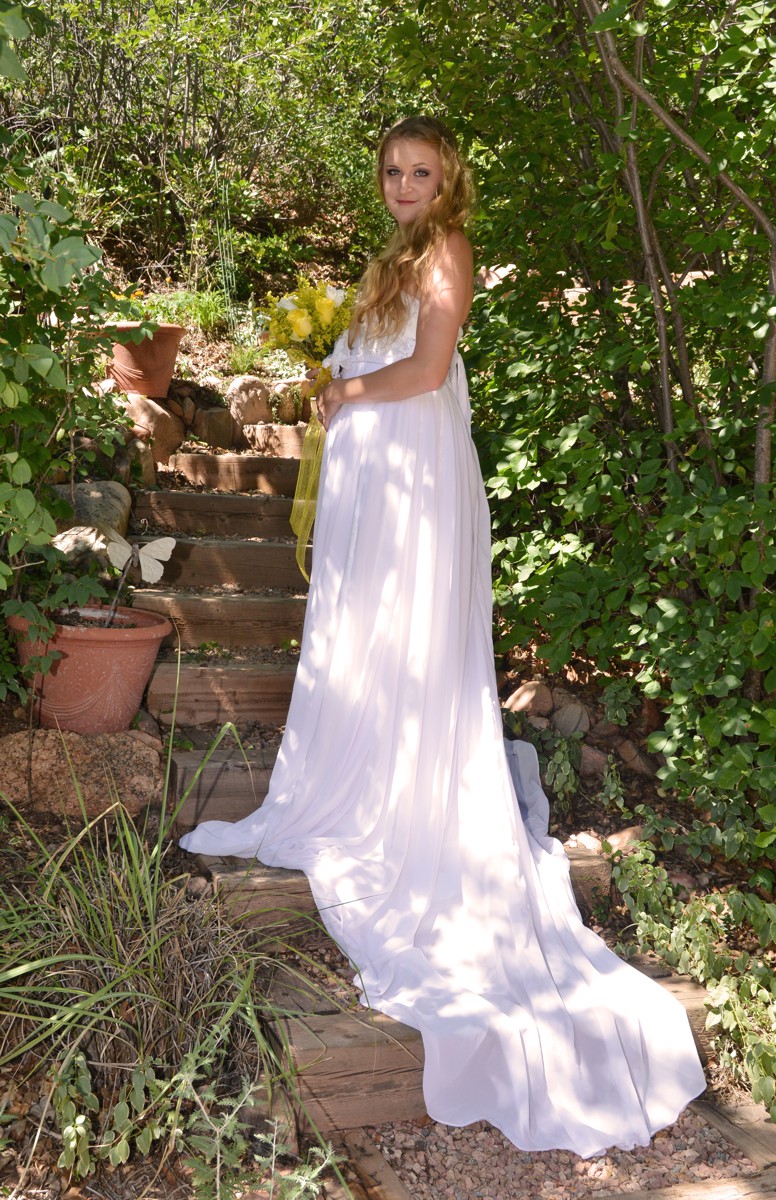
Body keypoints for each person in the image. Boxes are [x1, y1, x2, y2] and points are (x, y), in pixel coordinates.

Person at [180, 116, 706, 1156]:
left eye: (421, 172)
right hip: (378, 480)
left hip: (414, 478)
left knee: (408, 642)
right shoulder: (394, 257)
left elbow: (425, 372)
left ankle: (409, 797)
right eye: (390, 171)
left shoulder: (447, 250)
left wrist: (344, 390)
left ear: (448, 180)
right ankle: (364, 778)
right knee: (363, 642)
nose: (404, 185)